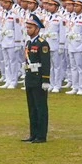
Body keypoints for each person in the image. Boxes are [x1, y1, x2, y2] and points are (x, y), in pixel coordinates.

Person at [23, 14, 50, 143]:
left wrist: (45, 80)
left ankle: (41, 135)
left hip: (39, 79)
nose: (28, 30)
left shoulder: (42, 44)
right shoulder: (29, 43)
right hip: (30, 79)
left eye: (30, 27)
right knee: (32, 108)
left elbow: (46, 63)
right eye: (27, 27)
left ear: (37, 29)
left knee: (40, 108)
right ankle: (33, 134)